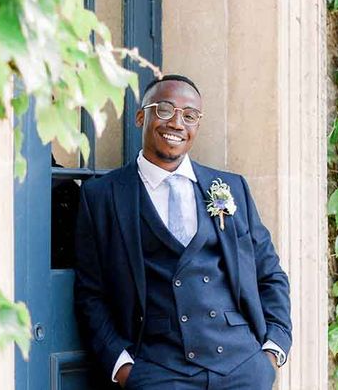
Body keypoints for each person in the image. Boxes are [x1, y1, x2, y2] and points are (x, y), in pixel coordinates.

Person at [74, 74, 292, 389]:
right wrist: (123, 368)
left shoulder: (232, 188)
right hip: (159, 372)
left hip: (243, 369)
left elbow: (269, 272)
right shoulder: (102, 196)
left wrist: (273, 352)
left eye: (189, 116)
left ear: (197, 126)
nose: (177, 123)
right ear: (141, 117)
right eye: (164, 110)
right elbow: (90, 294)